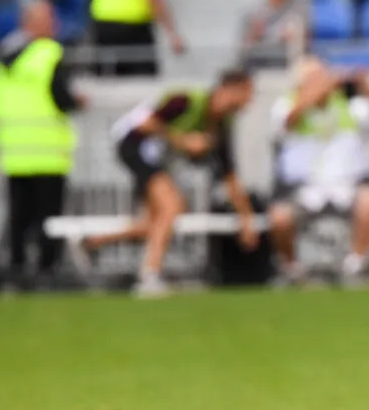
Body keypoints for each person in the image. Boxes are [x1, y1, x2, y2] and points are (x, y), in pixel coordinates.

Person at [73, 69, 258, 297]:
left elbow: (230, 177)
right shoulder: (185, 100)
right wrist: (182, 141)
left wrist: (246, 219)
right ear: (231, 89)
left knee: (155, 222)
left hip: (156, 159)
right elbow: (145, 124)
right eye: (247, 93)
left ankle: (90, 243)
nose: (249, 101)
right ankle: (150, 275)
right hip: (134, 145)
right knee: (172, 206)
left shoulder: (219, 127)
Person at [269, 59, 369, 285]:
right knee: (279, 216)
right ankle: (292, 269)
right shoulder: (285, 104)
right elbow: (288, 121)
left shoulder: (350, 105)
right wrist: (313, 93)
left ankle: (355, 266)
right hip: (302, 187)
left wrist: (366, 87)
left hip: (347, 184)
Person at [0, 2, 83, 288]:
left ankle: (16, 268)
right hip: (48, 151)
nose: (54, 25)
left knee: (19, 216)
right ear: (32, 23)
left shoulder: (3, 58)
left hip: (14, 151)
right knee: (49, 217)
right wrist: (77, 101)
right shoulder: (49, 54)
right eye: (49, 19)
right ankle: (47, 269)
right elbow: (61, 97)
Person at [239, 0, 301, 66]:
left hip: (291, 66)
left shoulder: (299, 11)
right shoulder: (253, 15)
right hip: (259, 67)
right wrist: (254, 37)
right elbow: (242, 54)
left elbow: (302, 49)